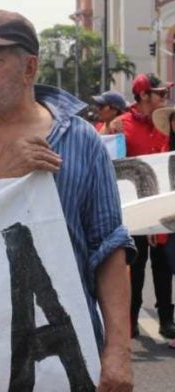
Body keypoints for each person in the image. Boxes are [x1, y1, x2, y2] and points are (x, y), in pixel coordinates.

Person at [0, 10, 135, 390]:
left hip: (65, 355)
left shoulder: (81, 140)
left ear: (29, 68)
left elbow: (109, 247)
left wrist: (117, 351)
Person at [112, 73, 175, 340]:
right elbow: (107, 156)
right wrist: (107, 131)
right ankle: (131, 319)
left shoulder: (166, 124)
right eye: (159, 94)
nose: (164, 98)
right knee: (135, 269)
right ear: (144, 95)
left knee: (163, 267)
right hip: (133, 211)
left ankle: (166, 320)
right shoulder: (120, 126)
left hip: (162, 210)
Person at [151, 106, 175, 348]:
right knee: (164, 274)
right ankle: (167, 321)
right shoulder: (162, 152)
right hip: (166, 225)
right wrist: (150, 225)